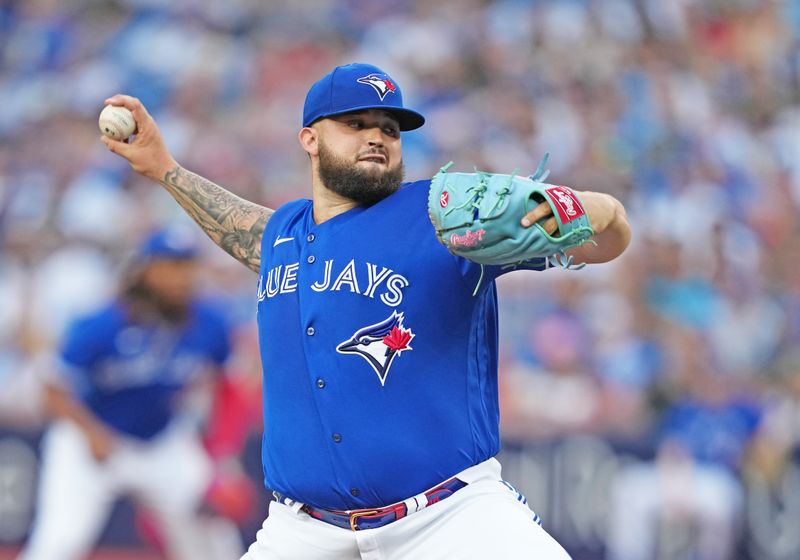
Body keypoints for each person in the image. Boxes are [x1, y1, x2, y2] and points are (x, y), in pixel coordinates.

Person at [101, 62, 632, 559]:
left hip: (449, 517)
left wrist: (589, 208)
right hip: (303, 531)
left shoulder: (440, 217)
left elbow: (608, 240)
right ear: (309, 139)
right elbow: (241, 227)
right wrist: (166, 169)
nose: (376, 136)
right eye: (355, 123)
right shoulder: (287, 234)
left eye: (390, 128)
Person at [18, 227, 242, 560]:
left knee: (214, 544)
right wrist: (91, 434)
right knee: (59, 543)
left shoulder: (210, 323)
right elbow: (51, 387)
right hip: (91, 442)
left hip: (162, 443)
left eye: (186, 266)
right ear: (145, 270)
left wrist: (223, 453)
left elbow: (229, 385)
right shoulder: (104, 323)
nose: (180, 277)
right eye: (169, 265)